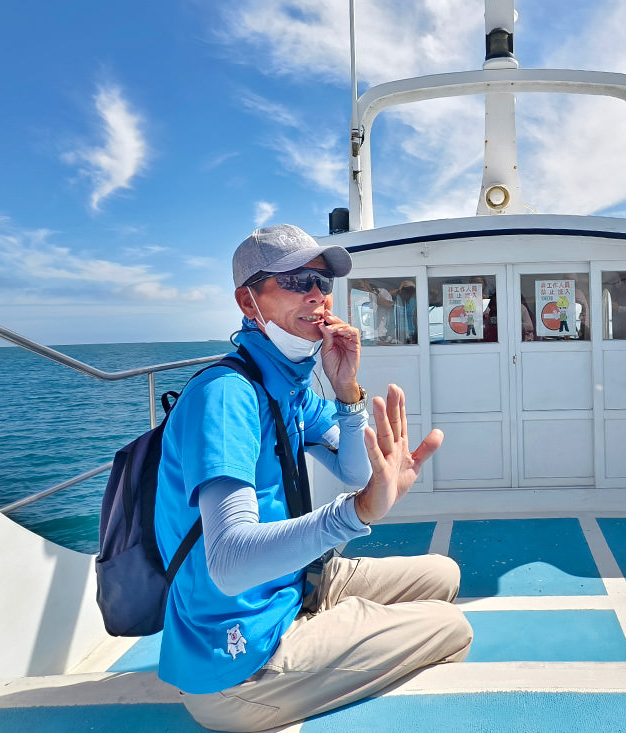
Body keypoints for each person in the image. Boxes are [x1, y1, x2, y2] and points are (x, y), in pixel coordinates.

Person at [154, 224, 473, 732]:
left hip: (289, 588)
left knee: (444, 575)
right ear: (247, 300)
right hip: (237, 659)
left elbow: (354, 470)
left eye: (323, 283)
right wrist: (355, 514)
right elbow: (230, 562)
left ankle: (318, 623)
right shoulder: (226, 397)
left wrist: (346, 389)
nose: (317, 295)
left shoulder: (286, 385)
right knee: (451, 627)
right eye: (297, 280)